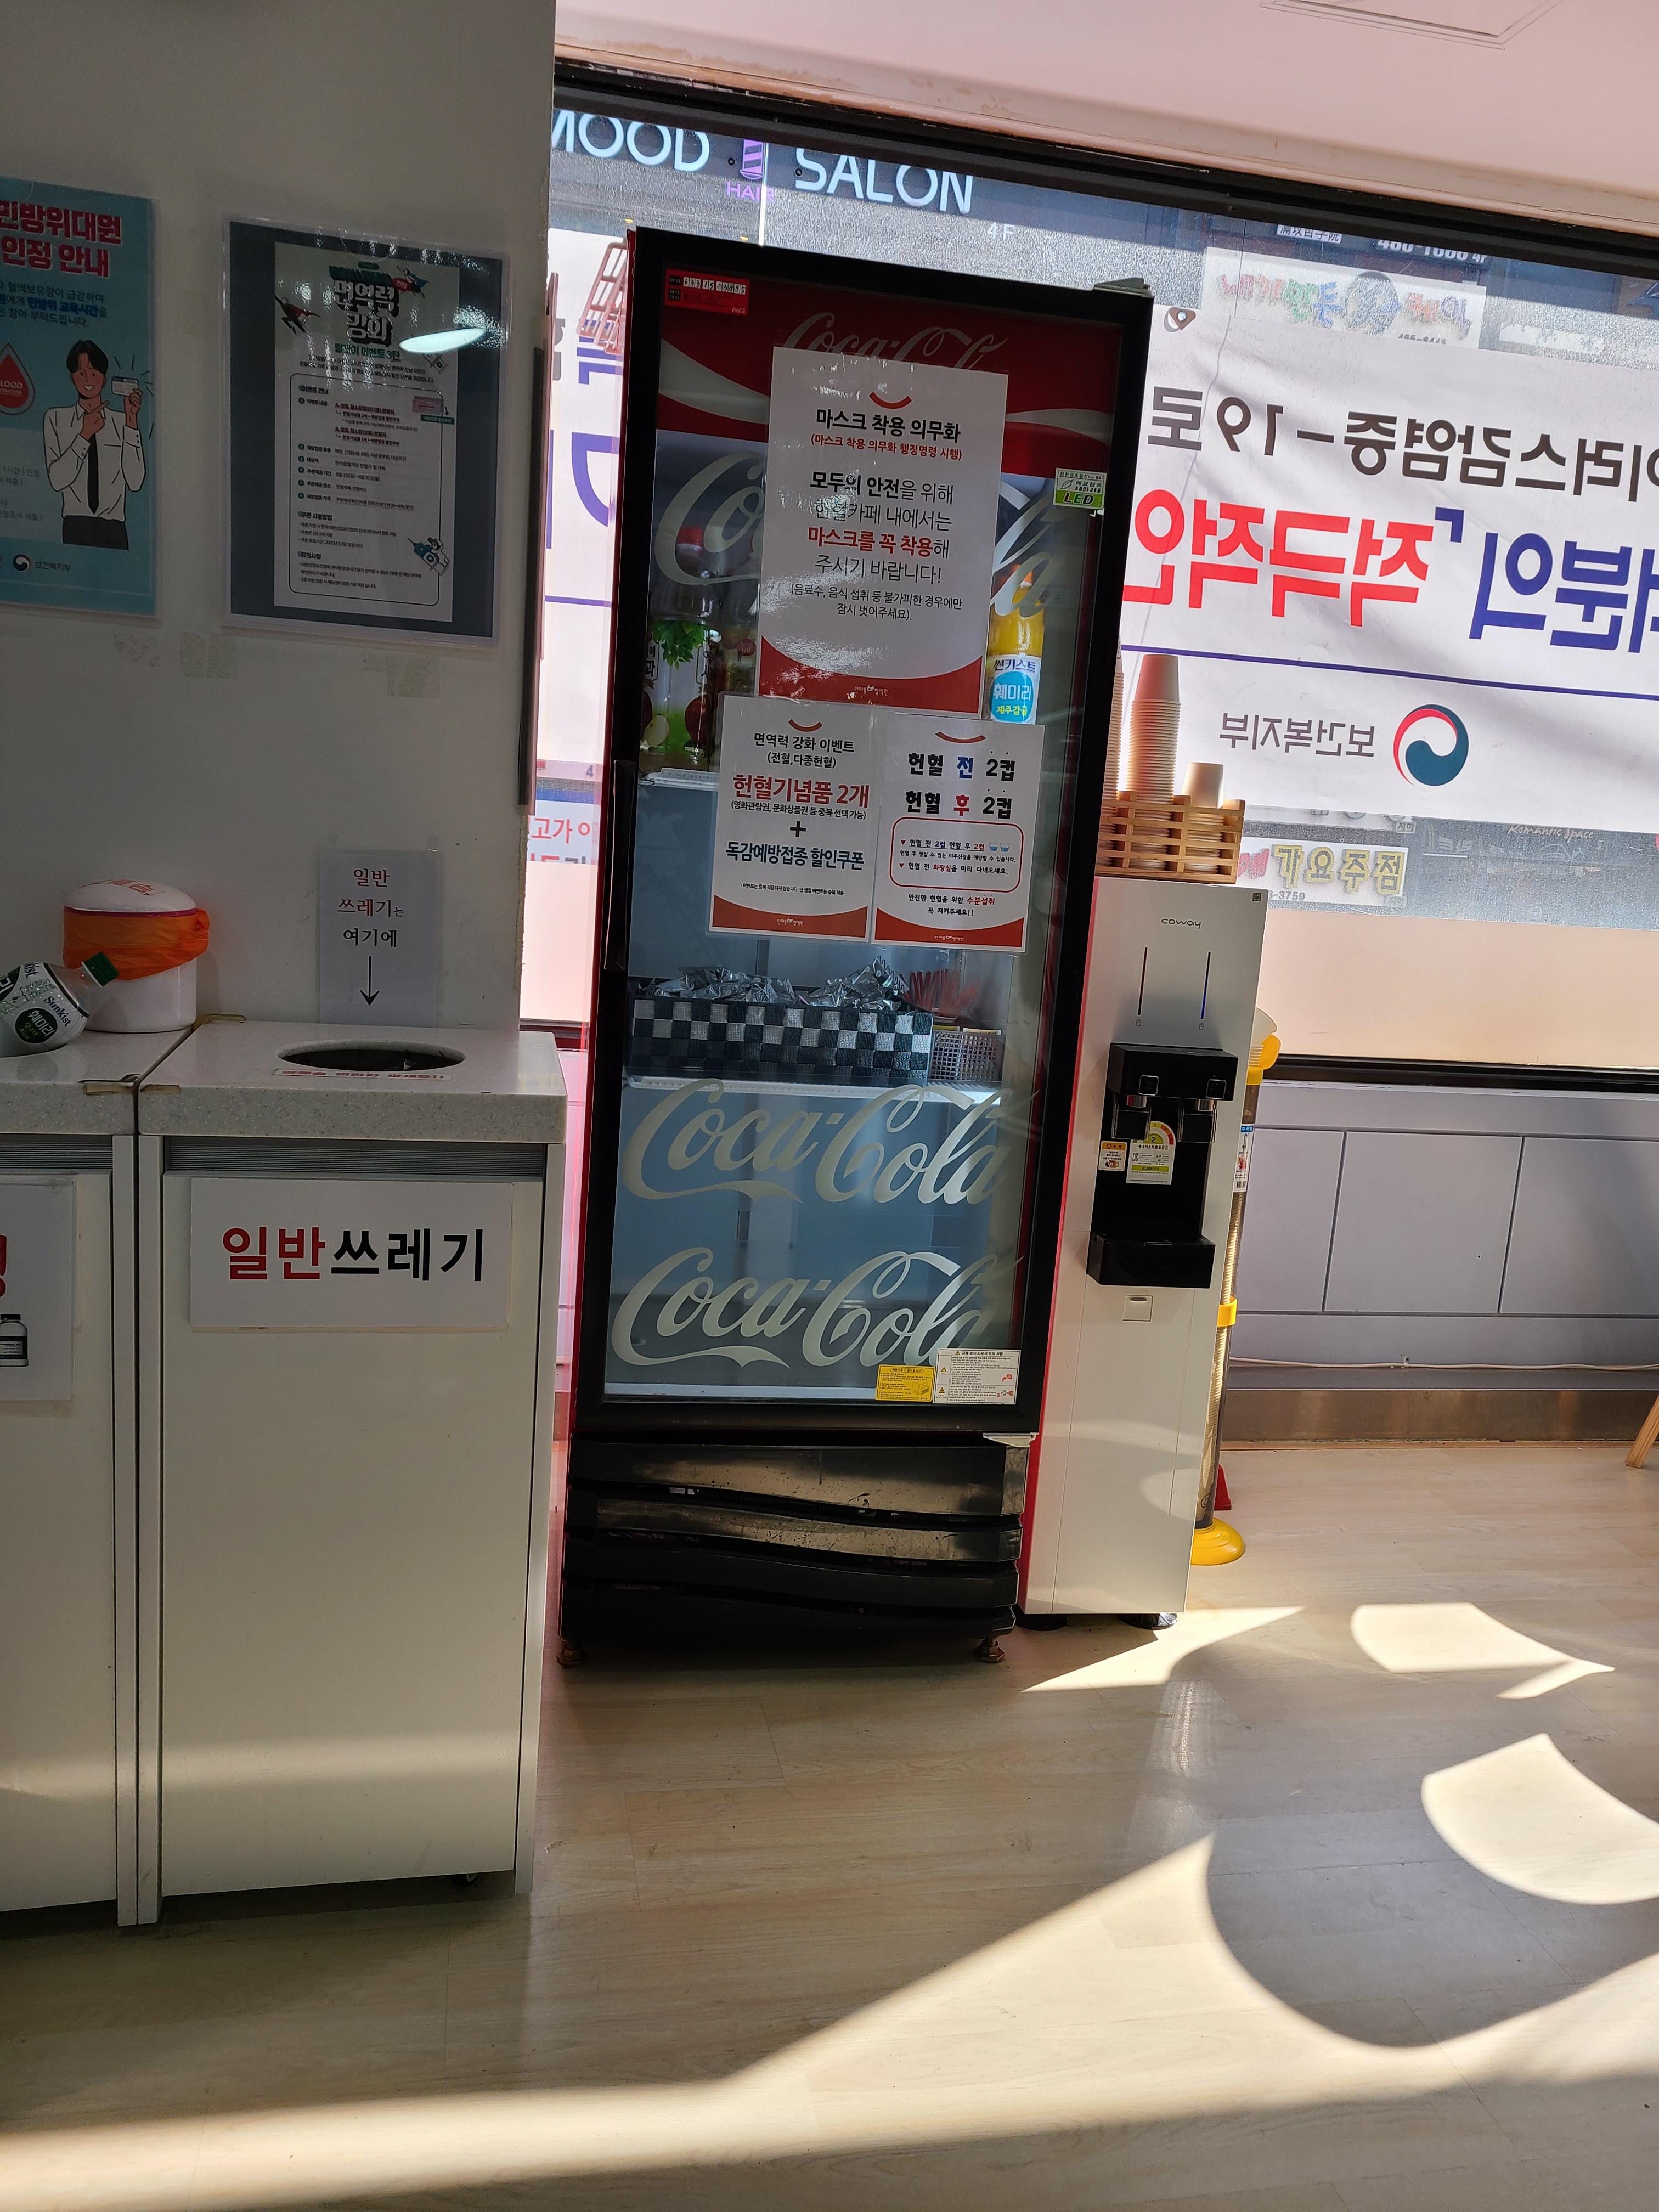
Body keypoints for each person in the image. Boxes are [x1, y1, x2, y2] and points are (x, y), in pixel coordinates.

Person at [43, 338, 145, 550]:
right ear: (72, 378)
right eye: (81, 373)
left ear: (104, 379)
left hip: (113, 525)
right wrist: (85, 434)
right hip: (75, 523)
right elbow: (57, 481)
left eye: (94, 373)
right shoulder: (55, 419)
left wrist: (131, 419)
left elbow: (135, 482)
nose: (88, 379)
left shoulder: (122, 421)